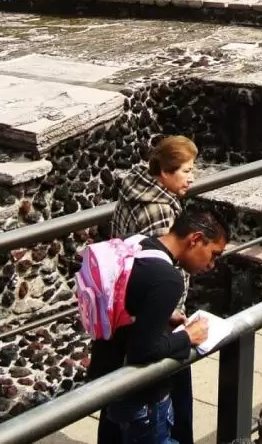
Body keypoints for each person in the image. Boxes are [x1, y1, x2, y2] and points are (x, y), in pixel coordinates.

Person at [89, 208, 229, 444]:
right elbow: (143, 351)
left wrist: (160, 315)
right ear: (195, 240)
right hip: (143, 400)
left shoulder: (134, 242)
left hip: (109, 380)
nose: (212, 265)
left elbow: (127, 302)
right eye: (213, 254)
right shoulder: (167, 278)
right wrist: (188, 336)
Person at [108, 136, 199, 444]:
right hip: (156, 316)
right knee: (165, 398)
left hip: (123, 308)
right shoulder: (159, 212)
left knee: (117, 401)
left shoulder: (134, 190)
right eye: (185, 170)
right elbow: (166, 270)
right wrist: (176, 314)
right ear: (164, 172)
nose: (192, 177)